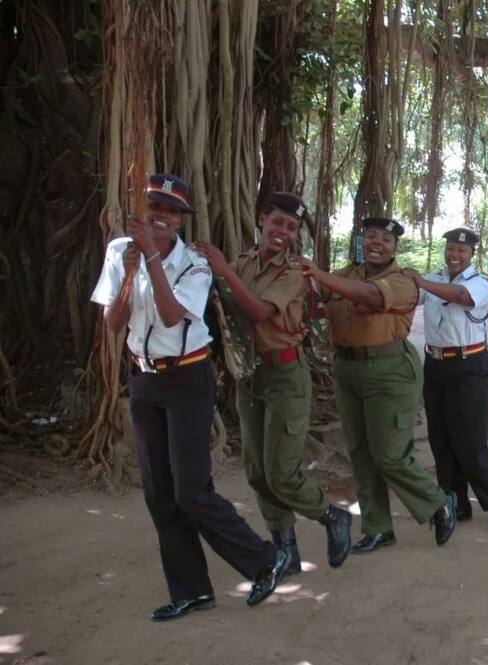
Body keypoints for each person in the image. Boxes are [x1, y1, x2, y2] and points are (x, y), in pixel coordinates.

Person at [90, 173, 289, 622]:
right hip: (144, 380)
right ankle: (191, 590)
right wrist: (131, 268)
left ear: (180, 221)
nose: (160, 217)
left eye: (170, 212)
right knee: (160, 494)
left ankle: (263, 558)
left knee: (191, 490)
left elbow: (170, 315)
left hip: (187, 381)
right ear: (141, 211)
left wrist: (153, 265)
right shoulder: (119, 252)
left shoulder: (195, 264)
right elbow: (113, 323)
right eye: (153, 208)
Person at [193, 192, 351, 573]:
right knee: (257, 471)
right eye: (278, 222)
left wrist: (223, 271)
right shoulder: (245, 261)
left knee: (282, 471)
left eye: (292, 227)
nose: (283, 231)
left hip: (285, 374)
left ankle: (332, 516)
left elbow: (261, 312)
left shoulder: (295, 271)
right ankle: (286, 549)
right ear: (262, 219)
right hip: (248, 373)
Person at [300, 217, 457, 553]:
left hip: (390, 371)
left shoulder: (403, 280)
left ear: (395, 248)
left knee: (390, 455)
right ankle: (377, 528)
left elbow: (370, 296)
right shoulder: (345, 274)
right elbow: (316, 295)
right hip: (348, 369)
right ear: (362, 240)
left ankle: (438, 501)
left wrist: (318, 273)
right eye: (371, 236)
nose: (377, 243)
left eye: (385, 239)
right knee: (360, 452)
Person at [408, 227, 488, 531]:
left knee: (469, 441)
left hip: (470, 365)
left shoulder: (479, 283)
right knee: (441, 439)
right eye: (451, 248)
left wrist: (420, 281)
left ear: (471, 254)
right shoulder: (434, 279)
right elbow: (409, 297)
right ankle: (456, 502)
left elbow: (461, 297)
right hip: (436, 363)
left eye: (461, 250)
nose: (455, 255)